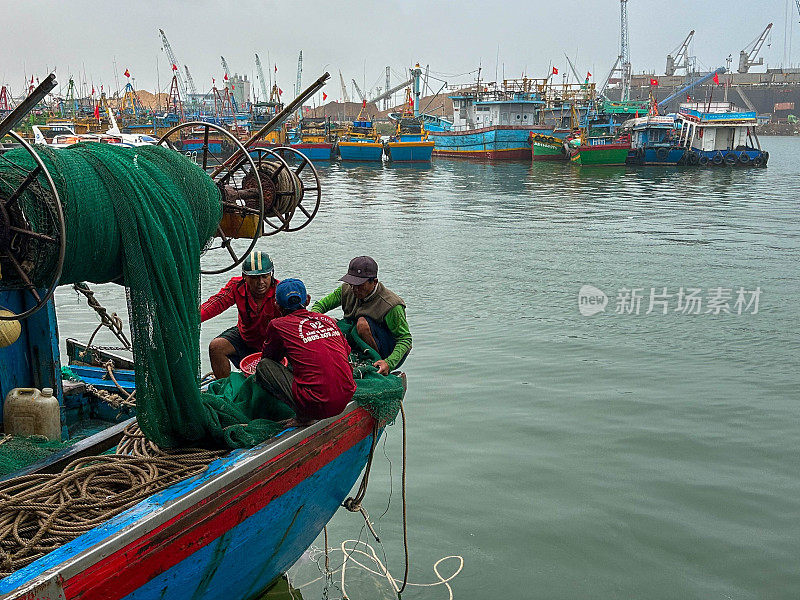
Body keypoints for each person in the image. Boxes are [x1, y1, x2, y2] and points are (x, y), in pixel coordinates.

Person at [256, 278, 356, 424]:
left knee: (264, 366)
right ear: (308, 300)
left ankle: (304, 417)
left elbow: (270, 358)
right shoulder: (327, 320)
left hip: (316, 406)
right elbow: (346, 352)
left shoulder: (278, 325)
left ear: (276, 305)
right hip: (347, 395)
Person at [311, 256, 411, 375]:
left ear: (374, 282)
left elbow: (405, 339)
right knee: (328, 321)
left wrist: (389, 362)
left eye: (360, 285)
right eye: (352, 284)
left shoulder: (391, 305)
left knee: (362, 323)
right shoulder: (347, 289)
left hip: (386, 349)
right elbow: (320, 306)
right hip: (357, 337)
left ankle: (374, 361)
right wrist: (314, 319)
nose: (354, 289)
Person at [201, 251, 281, 379]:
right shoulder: (236, 286)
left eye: (265, 276)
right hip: (246, 337)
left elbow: (294, 317)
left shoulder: (280, 290)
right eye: (255, 278)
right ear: (245, 276)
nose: (260, 282)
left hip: (272, 343)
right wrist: (192, 319)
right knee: (216, 347)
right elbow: (215, 304)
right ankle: (226, 389)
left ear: (271, 274)